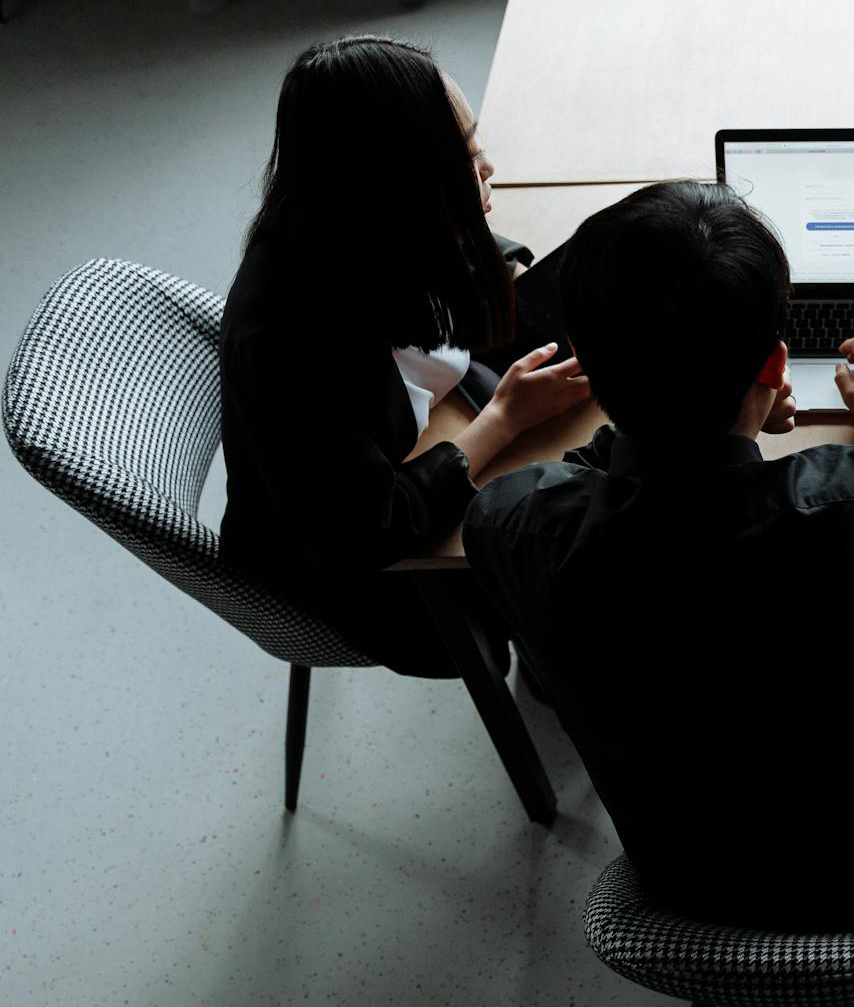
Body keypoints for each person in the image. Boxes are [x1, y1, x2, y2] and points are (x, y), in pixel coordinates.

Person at [463, 180, 854, 931]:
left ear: (589, 370)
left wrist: (694, 431)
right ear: (774, 367)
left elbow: (588, 482)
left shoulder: (513, 523)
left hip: (691, 884)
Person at [219, 36, 591, 677]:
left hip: (426, 431)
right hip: (384, 582)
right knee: (593, 556)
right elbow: (376, 527)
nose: (490, 170)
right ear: (399, 183)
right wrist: (503, 420)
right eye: (467, 156)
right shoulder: (291, 345)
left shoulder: (354, 223)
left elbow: (458, 256)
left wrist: (515, 268)